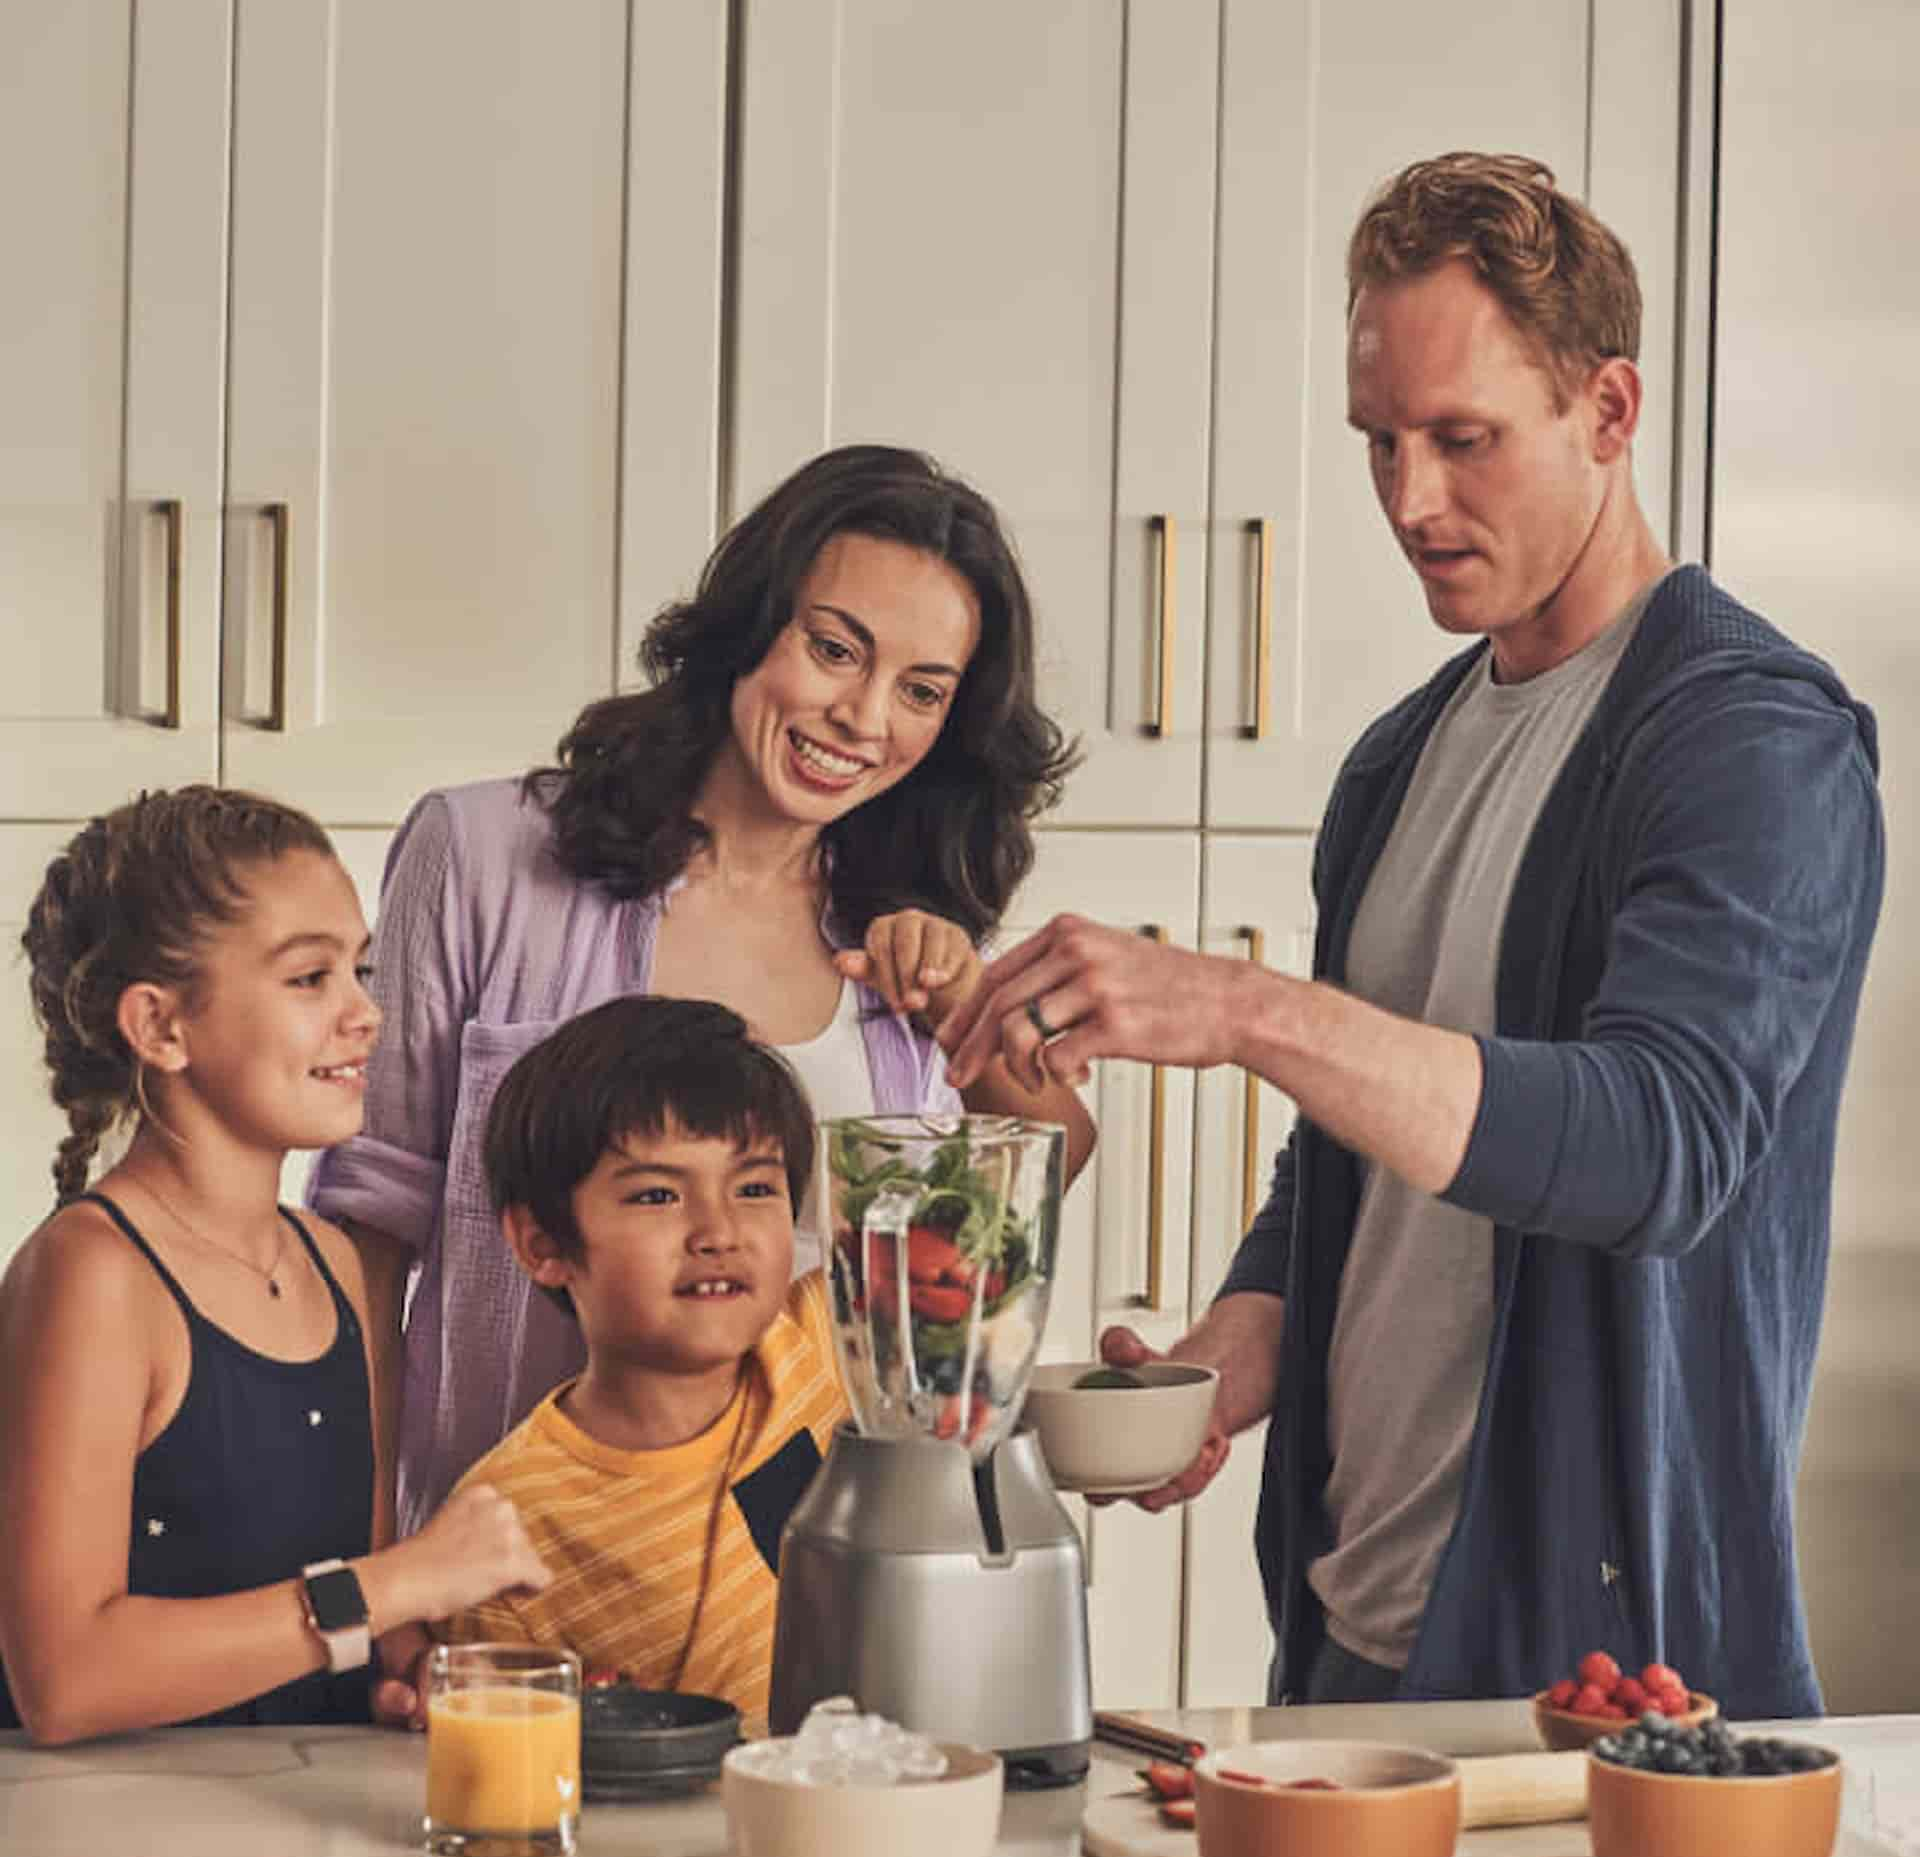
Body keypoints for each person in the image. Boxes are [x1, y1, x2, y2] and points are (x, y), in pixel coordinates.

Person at [936, 153, 1885, 1720]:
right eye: (1380, 442)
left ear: (1611, 409)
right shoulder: (1401, 759)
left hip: (1606, 1667)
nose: (1409, 502)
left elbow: (1664, 1146)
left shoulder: (1746, 738)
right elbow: (1357, 1157)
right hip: (1353, 1623)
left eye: (1465, 440)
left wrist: (1246, 1007)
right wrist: (1236, 1350)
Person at [309, 444, 1093, 1538]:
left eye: (921, 691)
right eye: (833, 650)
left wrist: (972, 1015)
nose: (864, 720)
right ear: (748, 627)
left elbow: (1022, 1188)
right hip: (508, 1561)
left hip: (817, 1564)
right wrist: (375, 1561)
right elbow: (366, 1242)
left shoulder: (904, 930)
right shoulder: (483, 855)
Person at [0, 787, 550, 1744]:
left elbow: (368, 1599)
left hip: (303, 1839)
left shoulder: (334, 1262)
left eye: (362, 970)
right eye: (309, 979)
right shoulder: (93, 1274)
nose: (366, 1015)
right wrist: (398, 1583)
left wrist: (433, 1668)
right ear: (161, 1028)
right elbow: (63, 1679)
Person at [431, 995, 842, 1721]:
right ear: (543, 1245)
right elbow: (510, 1775)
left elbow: (1001, 1230)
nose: (719, 1231)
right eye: (657, 1195)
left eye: (754, 1188)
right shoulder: (503, 1529)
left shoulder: (837, 1341)